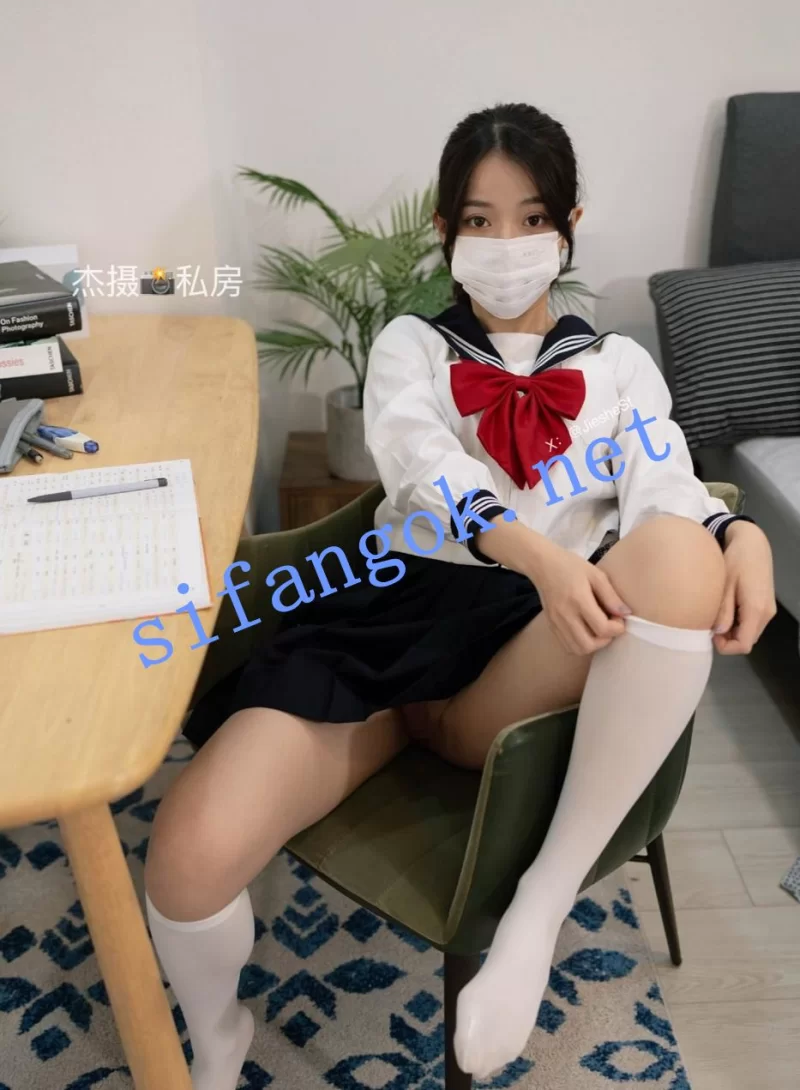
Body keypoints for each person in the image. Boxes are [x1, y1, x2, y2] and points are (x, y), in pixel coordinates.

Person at [143, 102, 777, 1087]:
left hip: (521, 659)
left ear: (569, 224)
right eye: (479, 220)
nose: (507, 243)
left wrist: (741, 533)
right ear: (444, 230)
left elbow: (665, 485)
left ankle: (537, 909)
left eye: (532, 217)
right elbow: (416, 462)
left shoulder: (618, 366)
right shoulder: (412, 345)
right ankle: (218, 1037)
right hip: (390, 616)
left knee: (680, 558)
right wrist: (534, 552)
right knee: (186, 858)